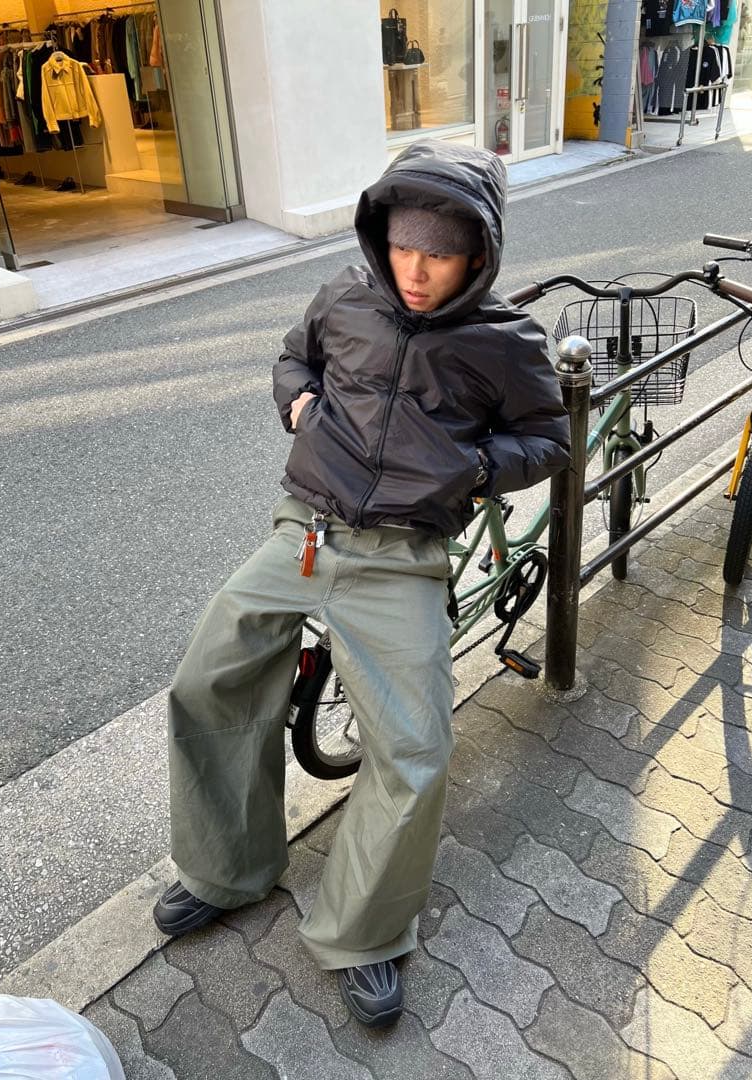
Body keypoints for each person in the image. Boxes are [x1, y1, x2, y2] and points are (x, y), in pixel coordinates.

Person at [153, 140, 570, 1028]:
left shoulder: (505, 342)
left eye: (439, 254)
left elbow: (548, 439)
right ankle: (227, 868)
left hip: (401, 558)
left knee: (416, 748)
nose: (415, 271)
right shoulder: (344, 295)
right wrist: (298, 401)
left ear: (479, 255)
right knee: (206, 678)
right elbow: (292, 359)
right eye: (403, 246)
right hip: (305, 531)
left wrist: (474, 467)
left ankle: (365, 932)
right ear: (381, 237)